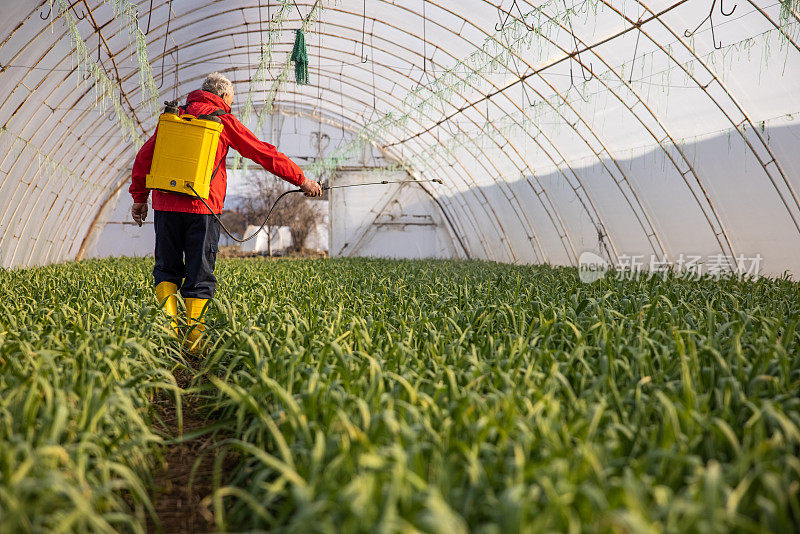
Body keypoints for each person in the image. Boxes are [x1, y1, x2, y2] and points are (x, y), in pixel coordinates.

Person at [129, 72, 321, 350]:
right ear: (223, 96)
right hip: (202, 209)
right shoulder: (222, 120)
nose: (231, 105)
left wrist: (139, 198)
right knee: (199, 275)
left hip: (165, 207)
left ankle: (168, 335)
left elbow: (145, 157)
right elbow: (263, 153)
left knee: (166, 270)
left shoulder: (173, 117)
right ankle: (193, 342)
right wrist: (301, 180)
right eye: (231, 100)